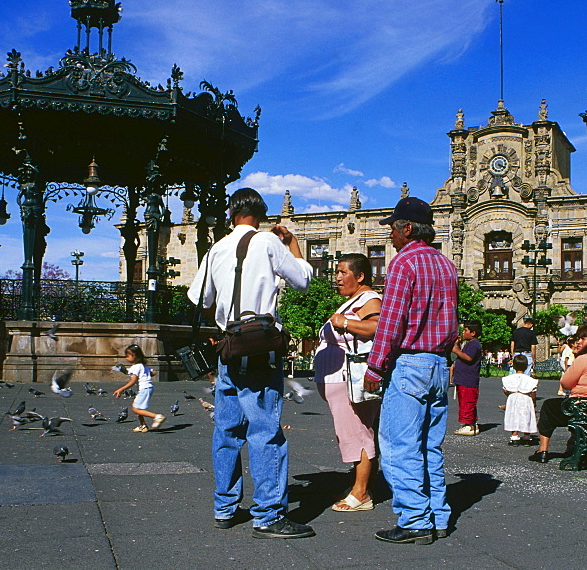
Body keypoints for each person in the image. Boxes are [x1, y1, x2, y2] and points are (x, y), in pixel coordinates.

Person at [187, 187, 315, 540]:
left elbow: (198, 296)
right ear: (260, 214)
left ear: (231, 214)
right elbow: (303, 280)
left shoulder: (217, 249)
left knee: (227, 430)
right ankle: (269, 514)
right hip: (260, 348)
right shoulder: (268, 243)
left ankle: (224, 507)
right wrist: (291, 243)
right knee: (264, 429)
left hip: (229, 347)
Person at [363, 196, 457, 545]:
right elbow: (451, 321)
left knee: (399, 446)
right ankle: (438, 515)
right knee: (430, 447)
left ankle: (415, 519)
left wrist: (375, 366)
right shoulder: (446, 265)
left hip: (410, 363)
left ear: (406, 229)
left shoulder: (404, 264)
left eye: (392, 227)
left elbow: (391, 321)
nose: (389, 233)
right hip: (438, 364)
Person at [315, 253, 381, 513]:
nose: (337, 277)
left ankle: (362, 493)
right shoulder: (354, 300)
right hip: (338, 379)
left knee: (358, 433)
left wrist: (345, 322)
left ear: (360, 276)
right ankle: (360, 485)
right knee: (351, 433)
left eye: (343, 272)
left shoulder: (369, 299)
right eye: (337, 272)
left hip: (349, 379)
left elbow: (376, 327)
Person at [529, 324, 587, 463]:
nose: (578, 341)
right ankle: (577, 445)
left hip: (583, 409)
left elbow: (565, 383)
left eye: (583, 338)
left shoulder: (584, 359)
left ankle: (542, 450)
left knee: (548, 406)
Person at [112, 344, 167, 433]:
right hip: (148, 387)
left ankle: (157, 416)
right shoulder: (143, 366)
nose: (126, 358)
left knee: (136, 409)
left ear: (134, 356)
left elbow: (133, 381)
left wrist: (121, 389)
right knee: (136, 406)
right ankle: (143, 425)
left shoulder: (135, 367)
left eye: (127, 356)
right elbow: (153, 373)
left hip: (144, 388)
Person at [452, 320, 482, 436]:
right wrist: (458, 345)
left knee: (467, 401)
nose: (463, 333)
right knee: (465, 401)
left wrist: (456, 350)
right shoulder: (469, 344)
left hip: (468, 379)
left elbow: (468, 358)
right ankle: (470, 423)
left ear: (473, 333)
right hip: (464, 378)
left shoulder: (474, 344)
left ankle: (469, 424)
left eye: (465, 330)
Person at [502, 354, 538, 445]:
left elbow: (505, 390)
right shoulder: (530, 380)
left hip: (513, 398)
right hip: (526, 398)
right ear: (526, 366)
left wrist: (509, 395)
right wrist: (533, 401)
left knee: (514, 416)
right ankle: (526, 436)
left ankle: (514, 436)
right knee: (526, 416)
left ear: (513, 366)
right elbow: (533, 392)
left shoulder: (509, 379)